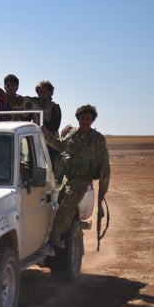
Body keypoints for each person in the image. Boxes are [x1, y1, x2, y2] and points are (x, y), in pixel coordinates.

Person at [44, 104, 110, 250]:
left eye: (88, 118)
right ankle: (63, 236)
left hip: (81, 181)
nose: (85, 121)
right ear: (78, 119)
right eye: (82, 118)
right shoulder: (73, 133)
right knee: (58, 207)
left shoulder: (97, 139)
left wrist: (103, 191)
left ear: (92, 120)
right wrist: (45, 134)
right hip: (67, 178)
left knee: (64, 210)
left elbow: (105, 165)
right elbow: (59, 146)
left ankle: (52, 241)